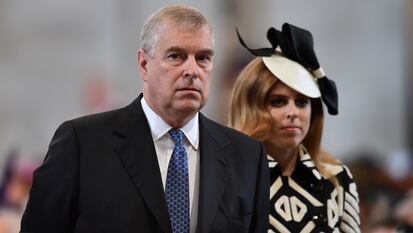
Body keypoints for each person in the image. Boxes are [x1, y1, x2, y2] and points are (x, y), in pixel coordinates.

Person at [20, 4, 269, 233]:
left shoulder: (247, 157)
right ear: (143, 64)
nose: (192, 70)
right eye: (176, 56)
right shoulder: (81, 145)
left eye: (203, 58)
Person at [229, 23, 360, 232]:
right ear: (252, 107)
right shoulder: (230, 180)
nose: (293, 113)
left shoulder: (336, 179)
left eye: (302, 102)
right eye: (278, 102)